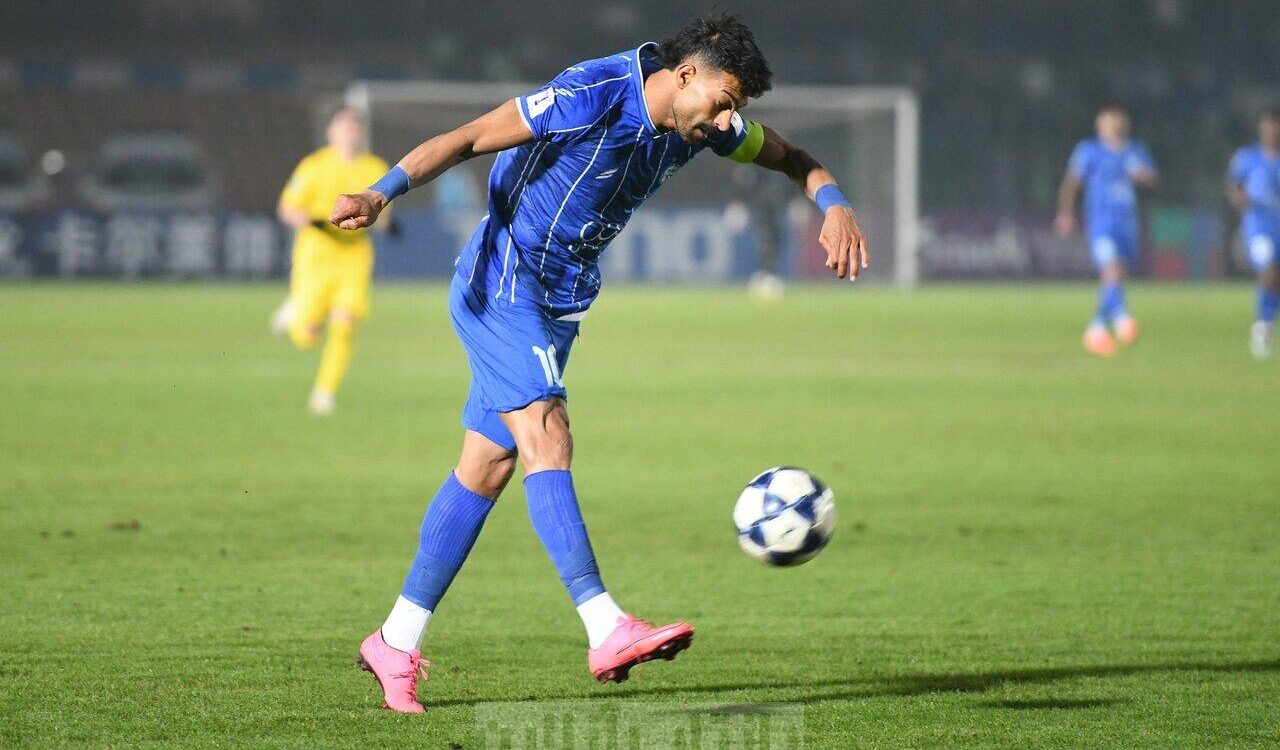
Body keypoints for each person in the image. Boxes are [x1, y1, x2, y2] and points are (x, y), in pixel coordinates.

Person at [331, 13, 868, 714]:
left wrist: (834, 203)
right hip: (505, 282)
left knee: (485, 467)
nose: (726, 120)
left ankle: (394, 641)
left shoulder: (706, 125)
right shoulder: (593, 92)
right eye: (722, 101)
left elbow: (795, 158)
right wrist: (380, 192)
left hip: (558, 303)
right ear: (684, 75)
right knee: (547, 433)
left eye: (734, 109)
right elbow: (470, 137)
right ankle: (605, 625)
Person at [272, 108, 391, 415]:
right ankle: (296, 312)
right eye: (344, 127)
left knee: (344, 325)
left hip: (354, 256)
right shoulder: (315, 166)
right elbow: (287, 208)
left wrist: (388, 225)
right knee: (307, 336)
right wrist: (311, 221)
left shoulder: (375, 168)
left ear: (361, 134)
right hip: (316, 255)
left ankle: (324, 393)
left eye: (355, 128)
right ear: (331, 133)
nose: (350, 133)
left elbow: (383, 214)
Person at [1055, 105, 1158, 357]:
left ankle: (1097, 328)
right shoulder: (1089, 151)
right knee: (1110, 267)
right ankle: (1122, 318)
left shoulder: (1134, 151)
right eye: (1107, 123)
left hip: (1127, 222)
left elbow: (1152, 179)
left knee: (1117, 274)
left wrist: (1143, 175)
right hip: (1101, 221)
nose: (1111, 127)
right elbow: (1072, 182)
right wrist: (1065, 212)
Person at [1226, 106, 1280, 359]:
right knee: (1268, 271)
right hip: (1258, 226)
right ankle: (1263, 326)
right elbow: (1232, 185)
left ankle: (1267, 319)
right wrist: (1238, 198)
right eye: (1269, 125)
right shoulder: (1247, 157)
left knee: (1275, 278)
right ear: (1262, 128)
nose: (1272, 130)